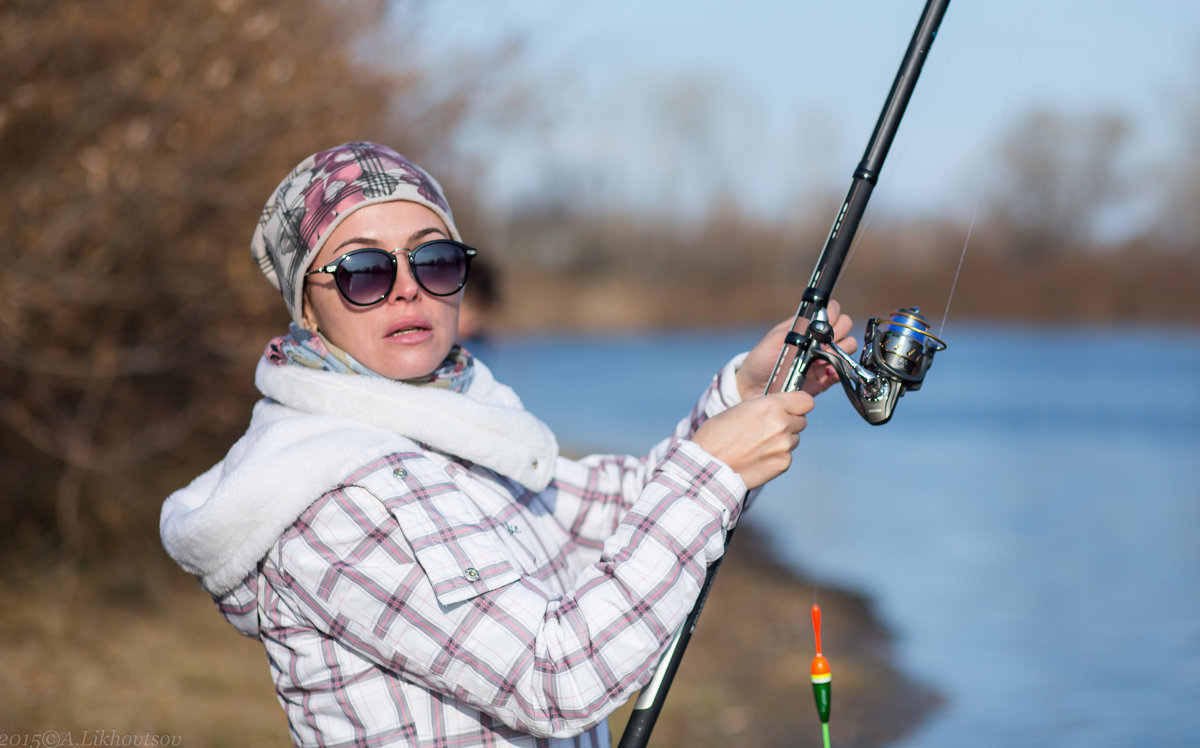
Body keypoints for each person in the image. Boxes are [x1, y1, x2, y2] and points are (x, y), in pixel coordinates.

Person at [160, 141, 856, 748]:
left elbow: (617, 511)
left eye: (432, 261)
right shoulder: (329, 496)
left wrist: (745, 391)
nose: (407, 290)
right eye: (364, 271)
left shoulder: (455, 425)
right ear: (306, 307)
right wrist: (713, 470)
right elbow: (553, 677)